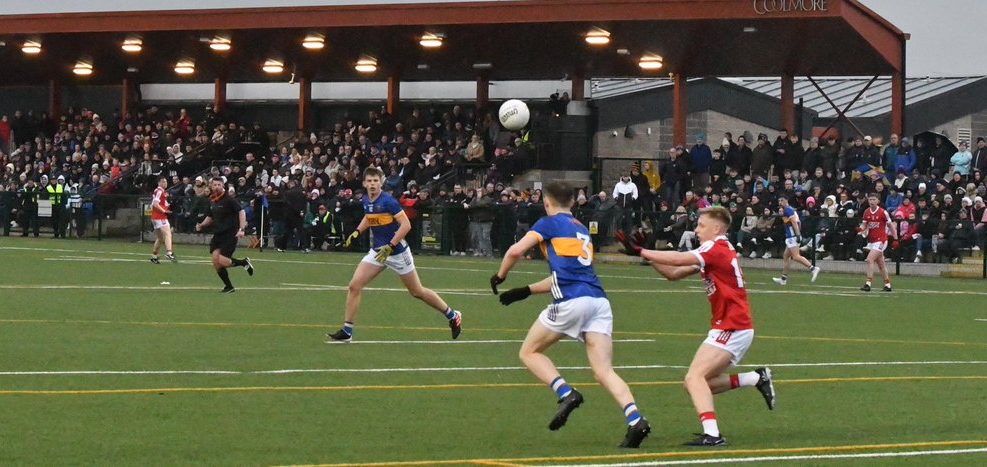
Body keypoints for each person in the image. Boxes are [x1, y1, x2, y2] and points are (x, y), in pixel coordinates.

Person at [489, 180, 651, 449]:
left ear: (546, 202)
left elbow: (515, 251)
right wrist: (526, 291)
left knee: (529, 352)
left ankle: (566, 393)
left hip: (572, 302)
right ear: (574, 203)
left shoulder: (548, 222)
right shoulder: (581, 228)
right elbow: (566, 275)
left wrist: (500, 276)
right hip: (598, 302)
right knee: (603, 371)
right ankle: (636, 420)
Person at [636, 206, 775, 447]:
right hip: (728, 325)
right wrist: (647, 256)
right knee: (696, 383)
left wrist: (643, 250)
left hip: (733, 325)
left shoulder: (715, 247)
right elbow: (673, 273)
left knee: (695, 378)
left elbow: (680, 258)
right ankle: (755, 378)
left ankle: (713, 434)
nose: (697, 230)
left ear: (717, 228)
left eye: (701, 225)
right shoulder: (714, 250)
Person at [328, 166, 461, 342]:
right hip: (378, 252)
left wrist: (390, 246)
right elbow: (369, 217)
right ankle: (347, 331)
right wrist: (357, 232)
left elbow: (406, 225)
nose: (373, 184)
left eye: (376, 181)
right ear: (364, 183)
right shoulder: (367, 199)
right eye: (369, 181)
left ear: (381, 182)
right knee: (354, 285)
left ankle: (452, 315)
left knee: (417, 292)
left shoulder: (388, 201)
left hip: (397, 253)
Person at [194, 176, 253, 293]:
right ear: (211, 186)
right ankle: (229, 287)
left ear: (223, 186)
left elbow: (241, 211)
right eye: (214, 185)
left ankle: (243, 262)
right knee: (215, 261)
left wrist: (241, 228)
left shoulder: (229, 199)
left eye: (219, 185)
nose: (216, 187)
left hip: (230, 234)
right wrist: (201, 225)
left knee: (222, 260)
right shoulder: (212, 199)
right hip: (218, 234)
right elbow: (210, 217)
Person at [772, 194, 820, 285]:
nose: (780, 202)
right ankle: (783, 278)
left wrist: (797, 235)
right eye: (779, 201)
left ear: (786, 200)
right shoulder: (788, 210)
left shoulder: (788, 210)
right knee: (786, 256)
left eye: (782, 200)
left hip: (792, 236)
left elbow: (794, 222)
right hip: (791, 236)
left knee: (796, 256)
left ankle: (813, 268)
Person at [857, 193, 896, 292]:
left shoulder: (883, 212)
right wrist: (860, 229)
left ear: (878, 201)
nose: (871, 201)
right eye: (870, 199)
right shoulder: (866, 212)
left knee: (870, 260)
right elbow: (864, 225)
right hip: (873, 241)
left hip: (881, 240)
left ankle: (868, 284)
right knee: (881, 264)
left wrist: (895, 239)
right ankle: (888, 285)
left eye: (874, 199)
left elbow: (891, 226)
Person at [149, 176, 177, 263]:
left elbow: (157, 203)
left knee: (160, 238)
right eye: (163, 182)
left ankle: (154, 256)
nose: (165, 183)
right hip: (160, 217)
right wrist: (164, 211)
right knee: (168, 234)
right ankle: (169, 252)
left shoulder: (160, 191)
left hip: (155, 217)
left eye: (166, 181)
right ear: (159, 183)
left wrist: (166, 208)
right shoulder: (159, 191)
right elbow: (155, 203)